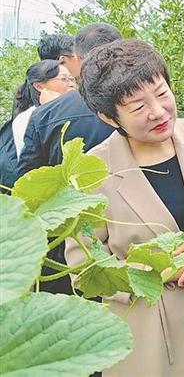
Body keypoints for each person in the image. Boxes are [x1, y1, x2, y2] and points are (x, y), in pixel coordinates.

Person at [65, 39, 184, 377]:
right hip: (150, 336)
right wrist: (156, 270)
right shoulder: (92, 171)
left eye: (162, 93)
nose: (159, 111)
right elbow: (85, 269)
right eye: (138, 107)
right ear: (109, 117)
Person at [14, 22, 121, 295]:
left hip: (70, 236)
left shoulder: (45, 115)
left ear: (78, 60)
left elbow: (28, 183)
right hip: (129, 230)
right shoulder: (139, 104)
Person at [17, 23, 121, 177]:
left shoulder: (44, 114)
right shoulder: (147, 99)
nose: (70, 82)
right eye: (63, 79)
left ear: (78, 58)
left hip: (77, 197)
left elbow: (28, 179)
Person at [11, 60, 76, 157]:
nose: (72, 84)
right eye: (64, 79)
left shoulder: (79, 108)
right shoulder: (24, 119)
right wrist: (53, 109)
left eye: (72, 79)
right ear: (39, 86)